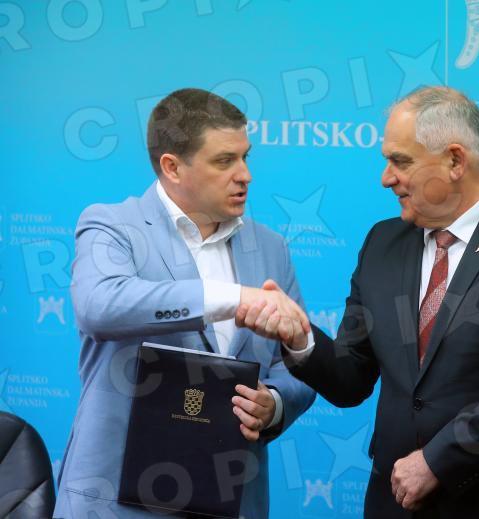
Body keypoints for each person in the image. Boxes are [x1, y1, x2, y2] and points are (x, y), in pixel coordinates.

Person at [237, 86, 479, 518]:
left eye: (400, 161)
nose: (386, 178)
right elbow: (351, 379)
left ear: (455, 161)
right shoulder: (382, 242)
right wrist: (300, 338)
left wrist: (438, 460)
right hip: (392, 501)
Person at [54, 88, 316, 518]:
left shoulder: (272, 248)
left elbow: (298, 364)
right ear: (172, 167)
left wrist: (274, 404)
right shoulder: (111, 226)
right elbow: (99, 306)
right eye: (224, 161)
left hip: (230, 498)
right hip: (115, 503)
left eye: (245, 157)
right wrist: (232, 297)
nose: (245, 175)